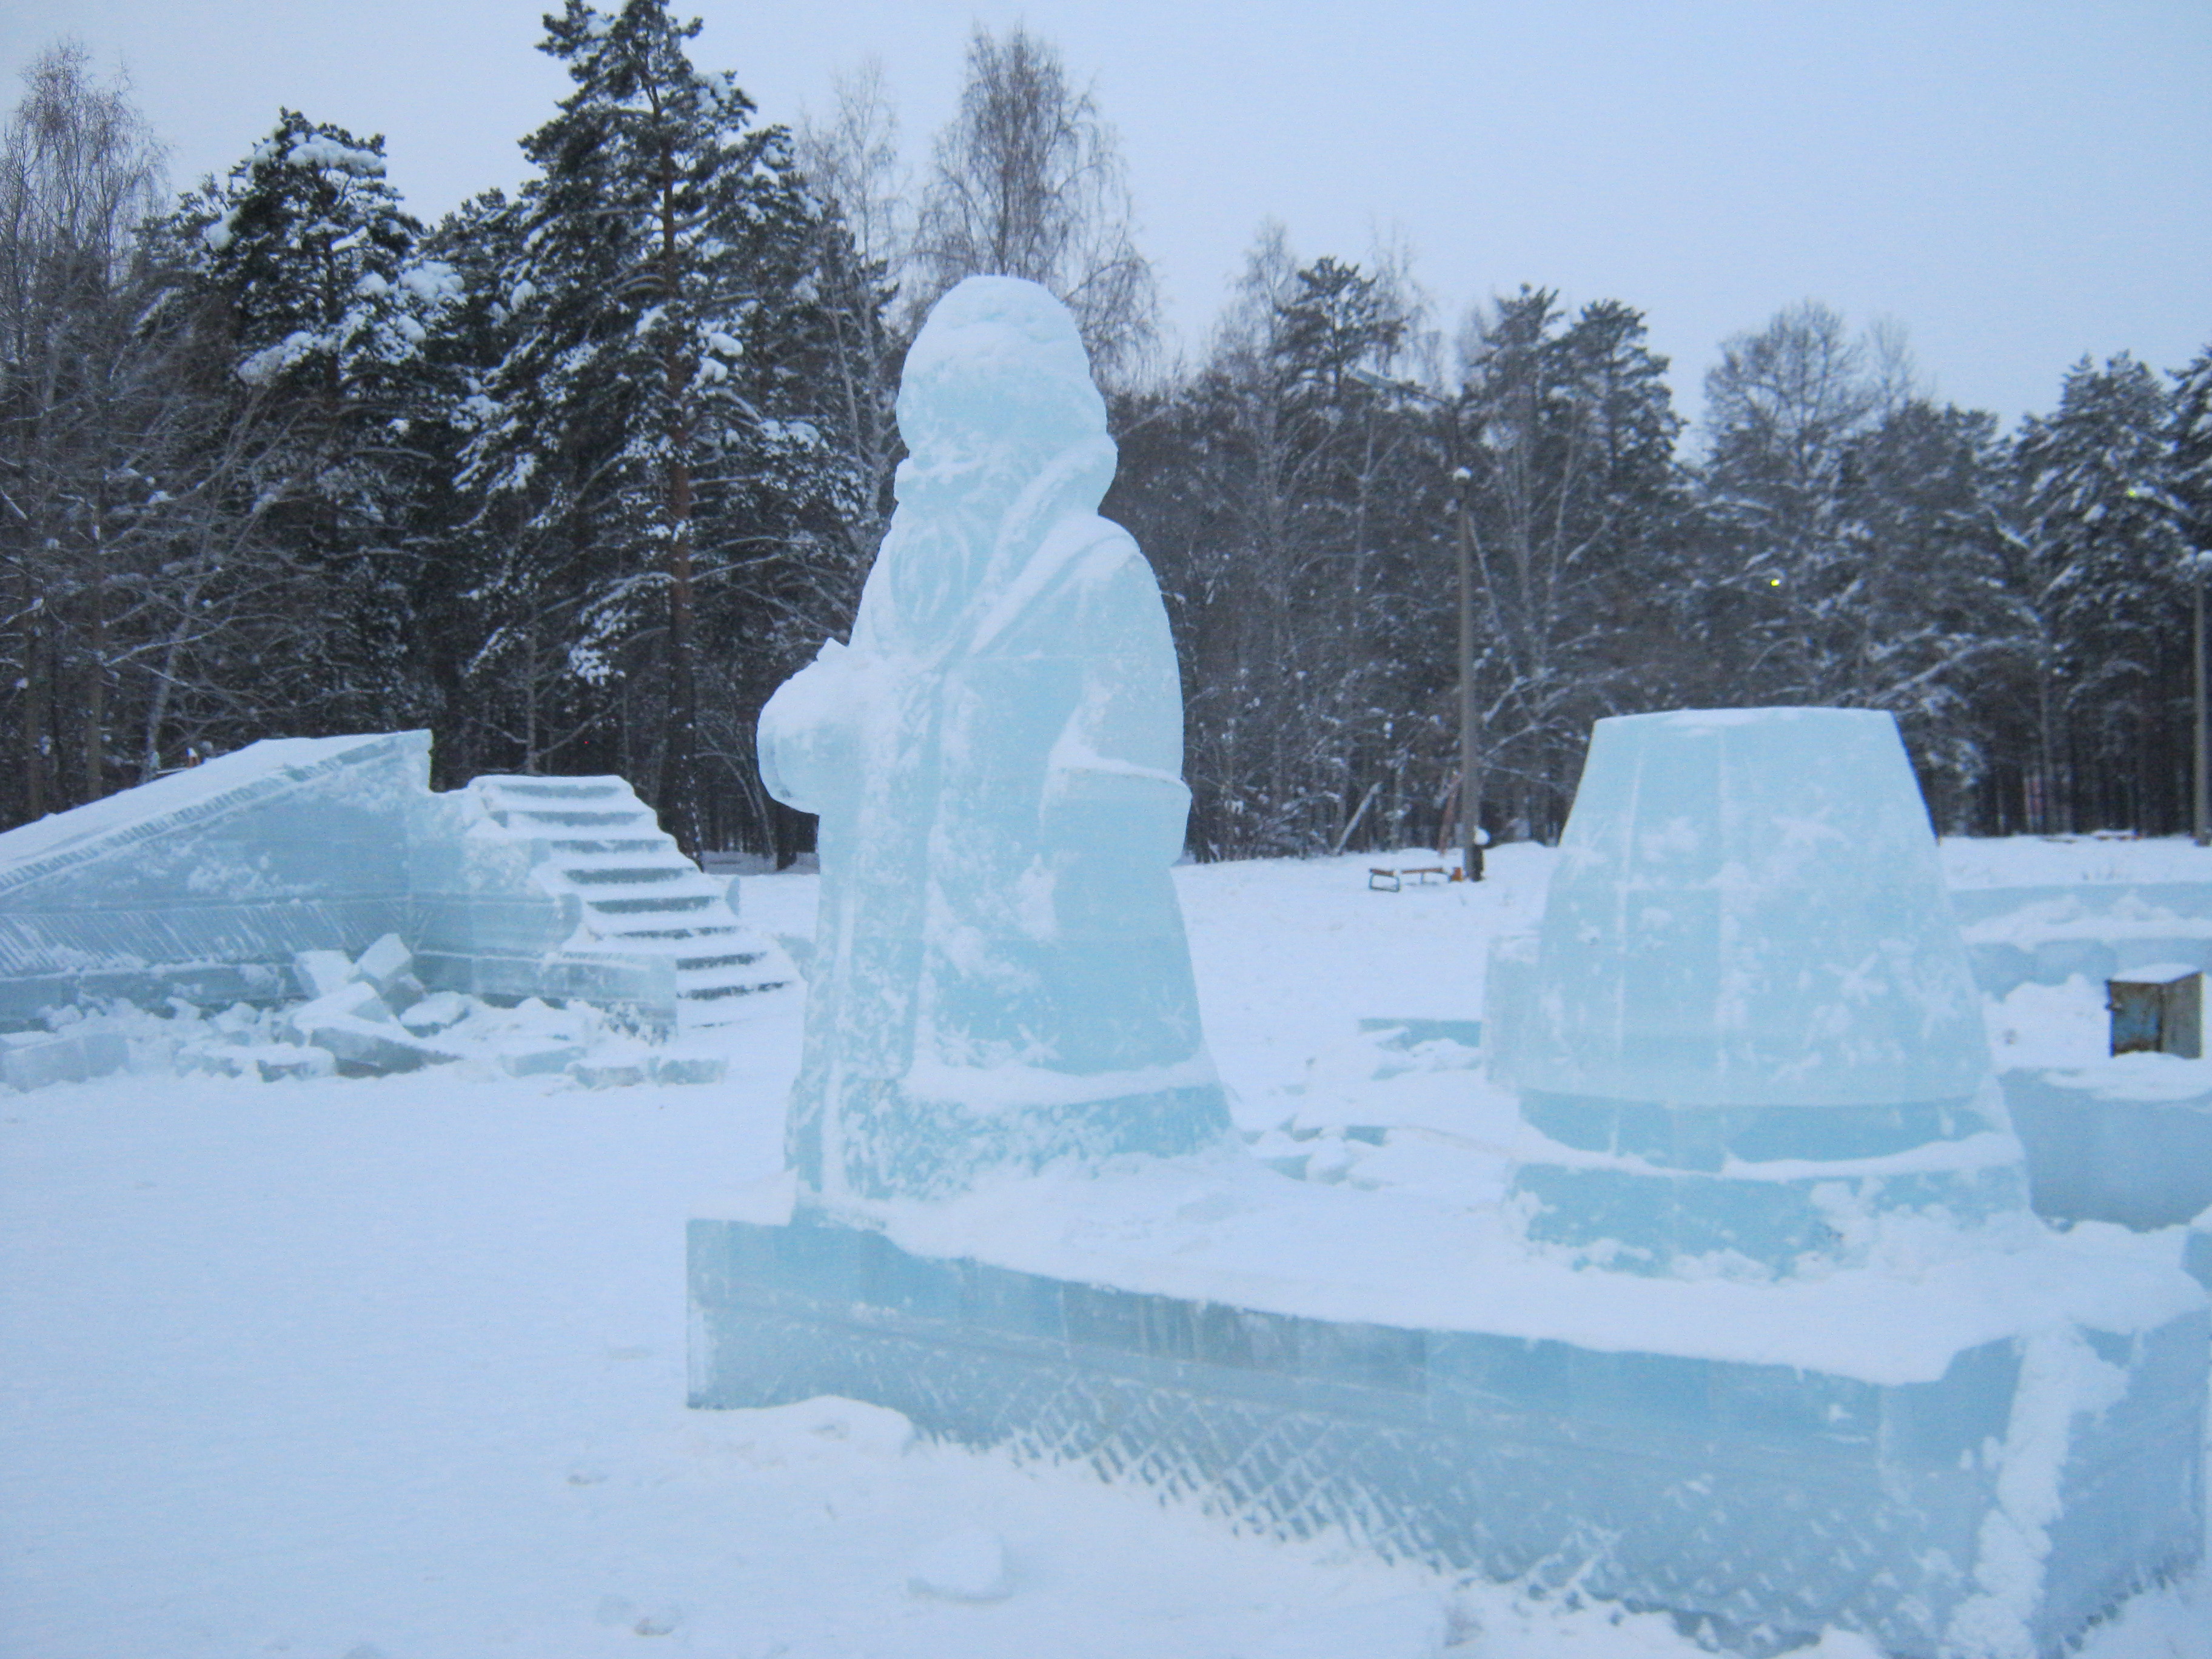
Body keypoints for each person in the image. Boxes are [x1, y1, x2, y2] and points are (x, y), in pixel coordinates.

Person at [758, 276, 1228, 1207]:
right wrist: (813, 737)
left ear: (1034, 433)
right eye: (928, 436)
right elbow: (856, 710)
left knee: (1020, 1199)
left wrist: (1036, 906)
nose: (935, 469)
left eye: (968, 434)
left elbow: (1126, 811)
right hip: (870, 1041)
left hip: (1040, 1041)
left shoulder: (1096, 571)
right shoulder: (901, 581)